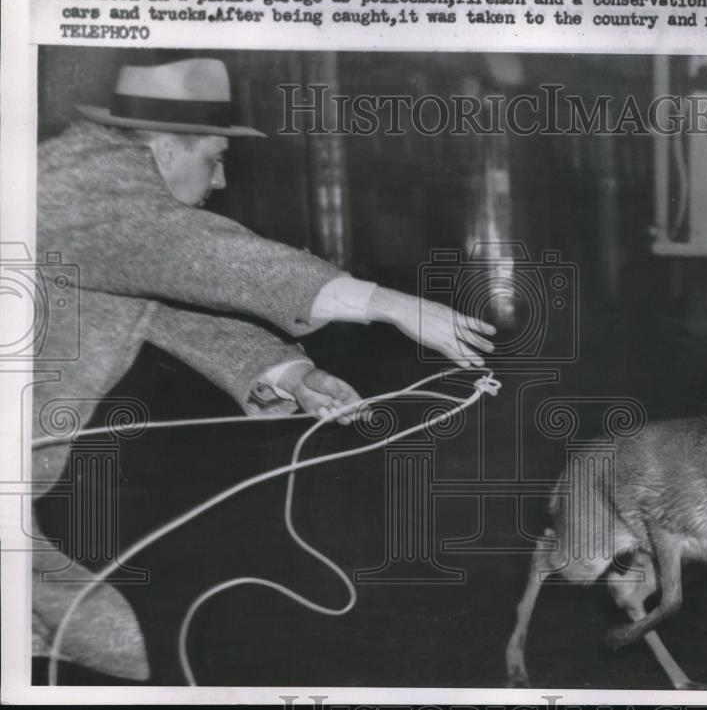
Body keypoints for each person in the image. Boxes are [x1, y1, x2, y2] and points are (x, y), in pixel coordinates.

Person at [31, 57, 495, 680]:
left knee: (107, 648)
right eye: (216, 157)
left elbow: (172, 303)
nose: (220, 180)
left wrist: (289, 374)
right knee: (101, 649)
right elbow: (204, 258)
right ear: (166, 149)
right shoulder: (80, 190)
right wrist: (386, 303)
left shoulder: (97, 210)